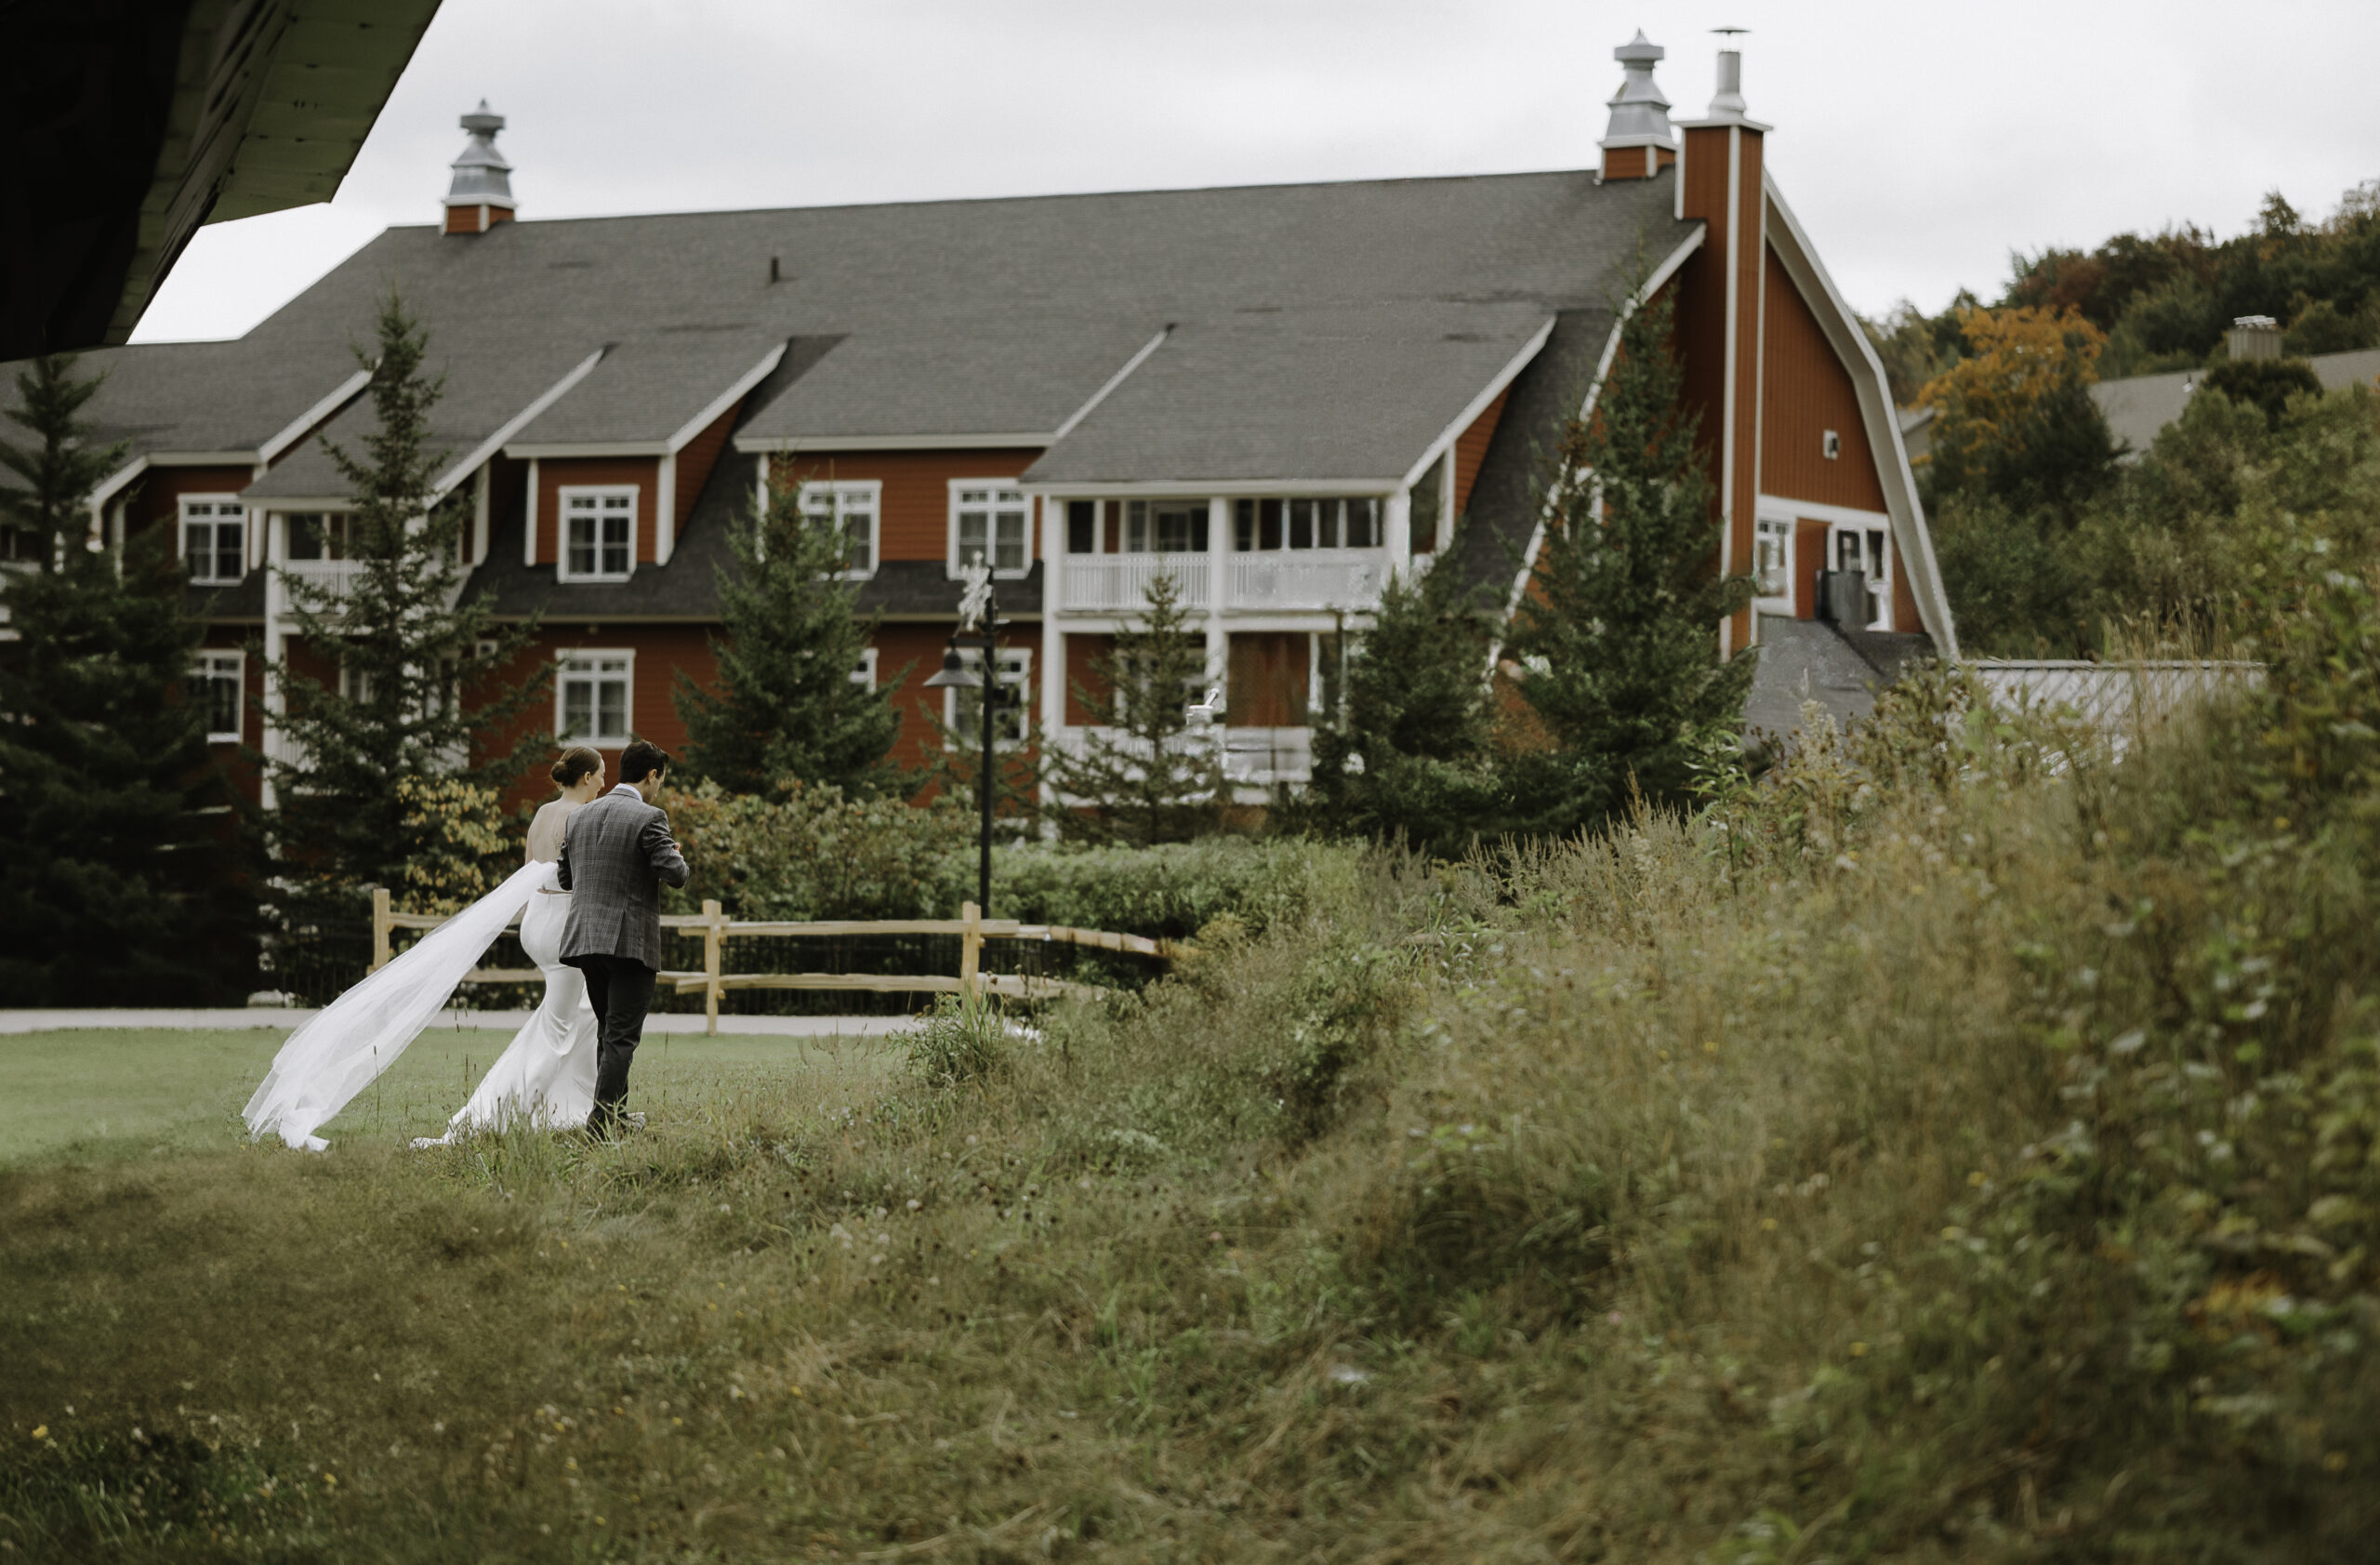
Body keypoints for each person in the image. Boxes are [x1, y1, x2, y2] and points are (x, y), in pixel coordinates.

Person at [409, 747, 607, 1147]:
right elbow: (579, 879)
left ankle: (574, 1104)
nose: (605, 782)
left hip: (538, 920)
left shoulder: (540, 815)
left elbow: (529, 871)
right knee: (558, 1026)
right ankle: (499, 1111)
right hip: (564, 928)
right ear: (586, 778)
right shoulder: (582, 816)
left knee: (586, 1013)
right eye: (602, 775)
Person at [556, 737, 688, 1137]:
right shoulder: (650, 818)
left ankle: (614, 1117)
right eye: (660, 780)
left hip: (585, 940)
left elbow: (566, 878)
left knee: (609, 1032)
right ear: (651, 775)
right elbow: (677, 874)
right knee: (622, 1037)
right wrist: (672, 853)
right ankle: (601, 1126)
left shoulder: (579, 816)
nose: (659, 788)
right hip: (628, 941)